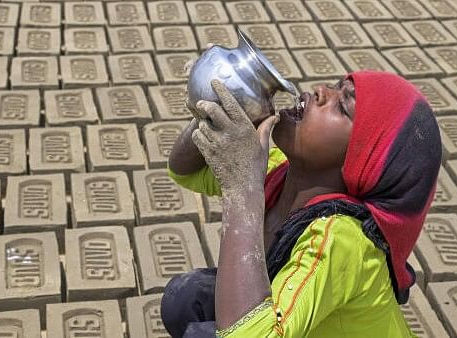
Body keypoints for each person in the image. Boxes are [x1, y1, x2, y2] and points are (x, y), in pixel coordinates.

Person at [161, 71, 442, 338]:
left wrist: (243, 192)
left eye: (342, 107)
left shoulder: (341, 239)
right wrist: (211, 111)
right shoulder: (277, 173)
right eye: (334, 86)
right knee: (185, 298)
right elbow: (186, 171)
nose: (321, 92)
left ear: (362, 163)